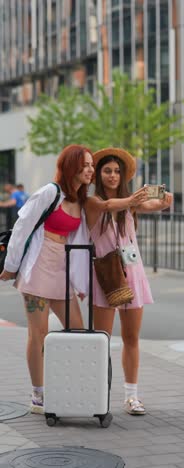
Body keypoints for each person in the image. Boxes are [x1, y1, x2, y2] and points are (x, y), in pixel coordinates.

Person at [0, 144, 94, 414]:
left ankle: (69, 386)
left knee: (77, 332)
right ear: (71, 166)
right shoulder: (50, 192)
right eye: (85, 164)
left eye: (91, 166)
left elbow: (79, 242)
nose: (90, 170)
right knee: (38, 334)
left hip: (61, 271)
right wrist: (11, 265)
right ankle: (38, 394)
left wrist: (80, 282)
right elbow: (22, 227)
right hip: (38, 268)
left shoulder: (80, 200)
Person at [84, 147, 173, 415]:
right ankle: (97, 395)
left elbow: (153, 205)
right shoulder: (92, 201)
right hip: (106, 275)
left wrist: (164, 200)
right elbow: (110, 206)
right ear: (99, 174)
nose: (113, 175)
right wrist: (132, 199)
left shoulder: (130, 203)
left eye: (117, 171)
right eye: (108, 171)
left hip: (132, 272)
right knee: (102, 339)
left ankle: (132, 396)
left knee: (132, 337)